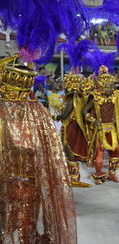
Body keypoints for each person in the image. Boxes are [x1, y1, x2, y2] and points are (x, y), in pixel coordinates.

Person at [0, 54, 77, 244]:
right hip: (28, 182)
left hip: (22, 184)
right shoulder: (38, 113)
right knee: (24, 227)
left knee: (16, 226)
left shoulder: (25, 112)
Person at [82, 65, 119, 184]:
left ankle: (112, 173)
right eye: (107, 86)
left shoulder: (115, 97)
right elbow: (84, 111)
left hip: (112, 128)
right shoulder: (94, 97)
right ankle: (98, 174)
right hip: (99, 128)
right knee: (99, 151)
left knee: (116, 150)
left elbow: (118, 111)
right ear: (101, 85)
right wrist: (93, 120)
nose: (110, 88)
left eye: (111, 86)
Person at [55, 74, 92, 187]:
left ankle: (74, 177)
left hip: (71, 127)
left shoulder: (72, 99)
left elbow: (64, 115)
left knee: (69, 150)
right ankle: (72, 176)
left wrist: (53, 117)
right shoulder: (77, 98)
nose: (64, 86)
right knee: (68, 150)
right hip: (70, 126)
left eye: (66, 84)